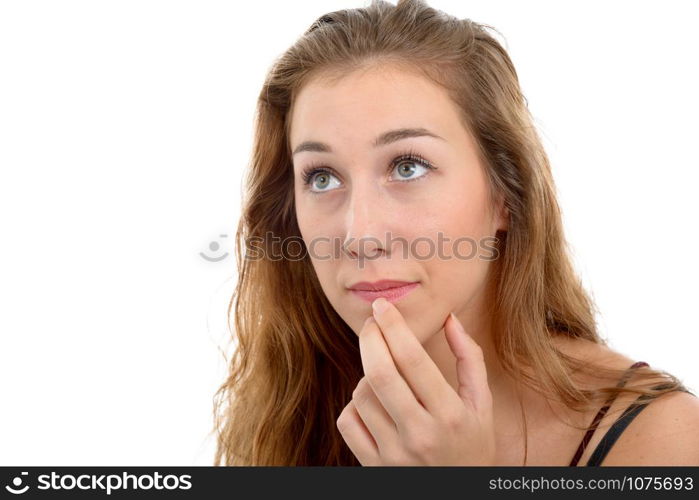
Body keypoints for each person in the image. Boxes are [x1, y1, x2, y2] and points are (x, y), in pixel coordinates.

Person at [213, 0, 699, 466]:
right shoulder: (285, 418)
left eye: (407, 166)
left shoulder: (667, 442)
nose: (359, 234)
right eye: (322, 177)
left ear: (505, 196)